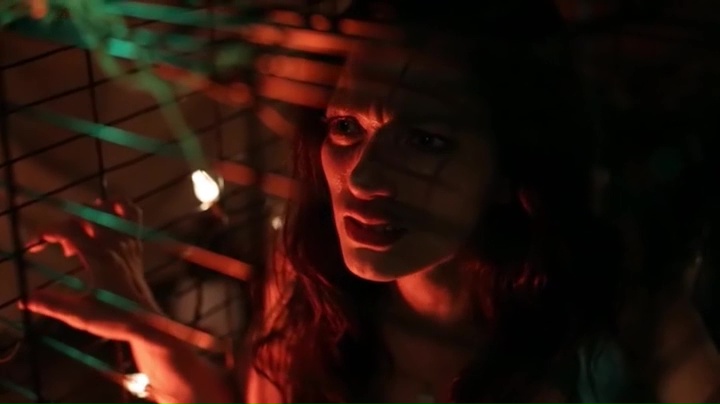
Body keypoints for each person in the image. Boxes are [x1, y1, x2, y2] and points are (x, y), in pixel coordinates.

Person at [19, 1, 720, 404]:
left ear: (510, 166)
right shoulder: (310, 289)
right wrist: (152, 335)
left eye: (426, 140)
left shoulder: (632, 332)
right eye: (346, 128)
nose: (362, 177)